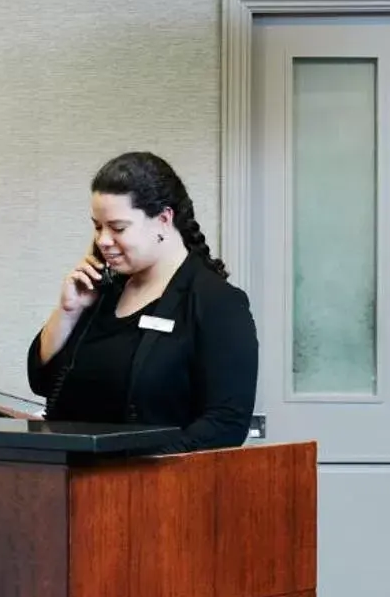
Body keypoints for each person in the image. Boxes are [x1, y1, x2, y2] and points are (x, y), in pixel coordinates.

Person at [27, 152, 259, 451]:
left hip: (151, 487)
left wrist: (140, 462)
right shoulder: (103, 292)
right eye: (98, 227)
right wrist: (68, 312)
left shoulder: (217, 302)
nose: (103, 241)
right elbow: (42, 382)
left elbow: (226, 424)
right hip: (75, 483)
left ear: (163, 219)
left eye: (118, 228)